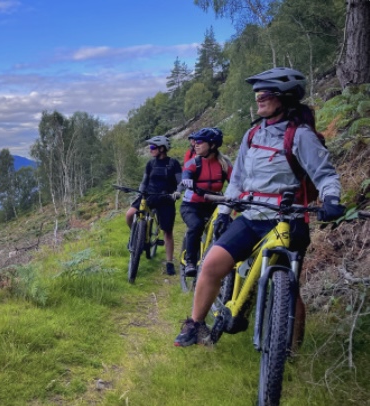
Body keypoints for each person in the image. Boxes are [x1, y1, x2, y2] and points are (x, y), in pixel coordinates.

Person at [174, 67, 345, 347]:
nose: (258, 98)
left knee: (290, 286)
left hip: (289, 219)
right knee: (211, 265)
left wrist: (331, 200)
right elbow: (238, 179)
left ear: (285, 97)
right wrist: (225, 213)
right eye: (257, 93)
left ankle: (291, 352)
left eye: (265, 93)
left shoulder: (300, 135)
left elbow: (325, 175)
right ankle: (195, 325)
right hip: (251, 216)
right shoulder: (252, 134)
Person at [125, 135, 182, 276]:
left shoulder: (173, 163)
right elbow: (144, 181)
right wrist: (141, 190)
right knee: (130, 214)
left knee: (167, 232)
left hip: (166, 198)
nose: (150, 150)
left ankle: (169, 262)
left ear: (162, 149)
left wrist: (177, 192)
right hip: (149, 195)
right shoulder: (150, 164)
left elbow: (180, 182)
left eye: (152, 147)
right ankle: (136, 238)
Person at [179, 127, 233, 277]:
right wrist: (187, 180)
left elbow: (235, 182)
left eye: (200, 142)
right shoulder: (194, 163)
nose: (195, 144)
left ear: (213, 145)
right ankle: (190, 261)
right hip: (192, 205)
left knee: (229, 226)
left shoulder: (224, 164)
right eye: (195, 141)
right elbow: (186, 172)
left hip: (214, 204)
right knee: (196, 226)